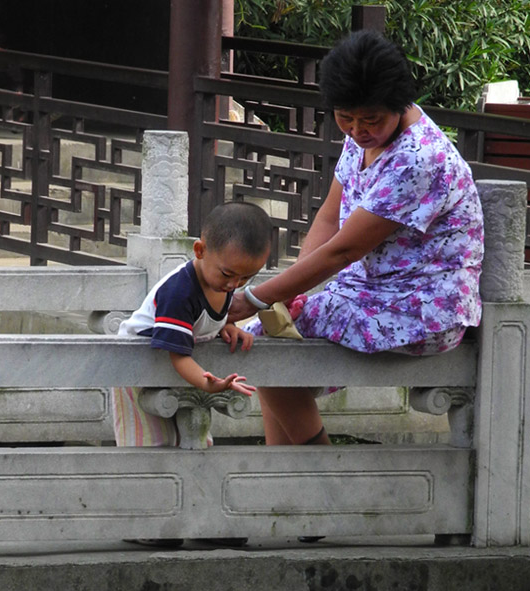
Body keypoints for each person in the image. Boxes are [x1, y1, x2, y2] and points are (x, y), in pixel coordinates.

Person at [227, 30, 484, 446]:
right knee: (271, 336)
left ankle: (324, 479)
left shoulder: (419, 158)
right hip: (371, 291)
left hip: (423, 305)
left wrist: (256, 297)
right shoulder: (362, 138)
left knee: (260, 342)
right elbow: (330, 218)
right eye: (346, 117)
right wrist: (285, 295)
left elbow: (346, 249)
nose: (358, 130)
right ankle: (284, 475)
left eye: (370, 120)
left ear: (399, 105)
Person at [113, 200, 272, 448]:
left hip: (181, 371)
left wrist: (225, 327)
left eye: (246, 278)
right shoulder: (179, 292)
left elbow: (201, 322)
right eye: (228, 274)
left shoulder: (221, 281)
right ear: (200, 250)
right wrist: (210, 385)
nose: (234, 285)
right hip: (138, 369)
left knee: (196, 443)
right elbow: (178, 356)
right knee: (149, 449)